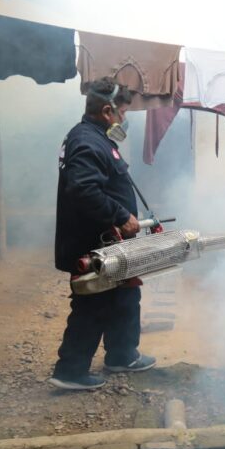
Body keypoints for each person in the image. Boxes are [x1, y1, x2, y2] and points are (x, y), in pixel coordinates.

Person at [48, 77, 156, 390]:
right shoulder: (86, 141)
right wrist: (121, 215)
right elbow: (83, 189)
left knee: (125, 293)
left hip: (112, 243)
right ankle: (70, 371)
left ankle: (122, 355)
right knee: (93, 302)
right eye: (122, 112)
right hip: (95, 244)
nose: (124, 119)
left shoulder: (95, 138)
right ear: (107, 111)